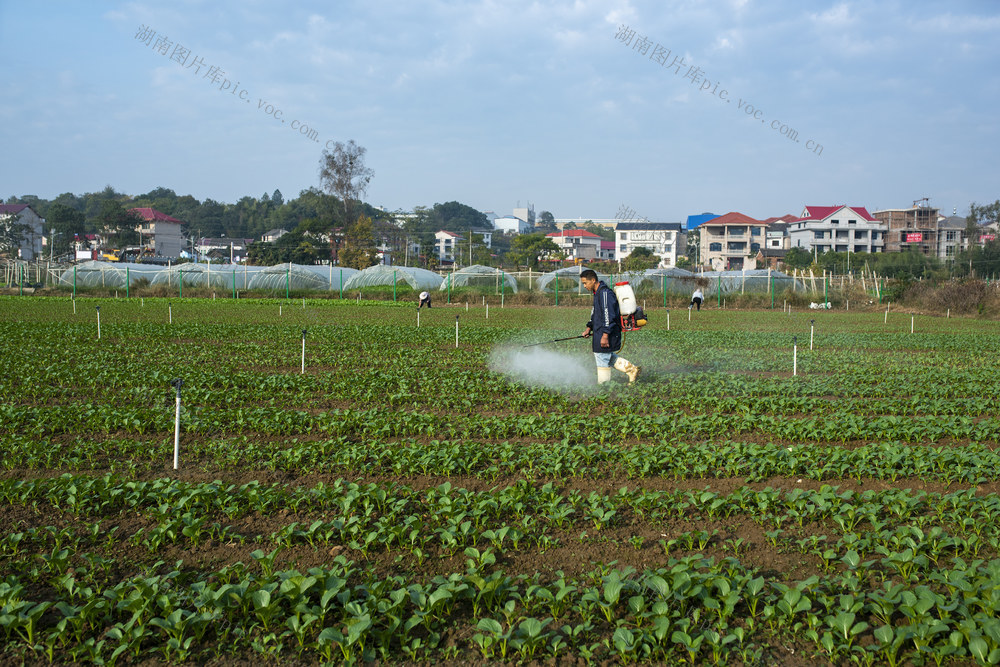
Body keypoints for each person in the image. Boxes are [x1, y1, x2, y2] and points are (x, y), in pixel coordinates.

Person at [580, 269, 641, 384]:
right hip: (600, 330)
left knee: (602, 356)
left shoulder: (605, 294)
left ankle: (604, 386)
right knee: (604, 355)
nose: (584, 286)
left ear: (593, 280)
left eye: (585, 283)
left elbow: (609, 315)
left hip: (607, 332)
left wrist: (605, 335)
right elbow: (595, 313)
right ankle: (631, 369)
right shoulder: (597, 293)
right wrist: (589, 328)